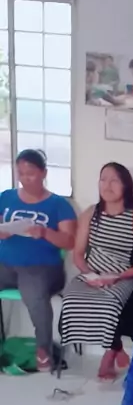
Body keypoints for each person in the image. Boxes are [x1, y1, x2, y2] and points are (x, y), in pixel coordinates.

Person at [60, 163, 133, 380]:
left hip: (126, 276)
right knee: (72, 299)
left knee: (111, 302)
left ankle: (110, 353)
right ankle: (118, 348)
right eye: (103, 179)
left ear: (126, 185)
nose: (107, 185)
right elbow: (78, 254)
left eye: (114, 180)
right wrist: (91, 275)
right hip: (92, 274)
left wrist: (117, 277)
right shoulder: (90, 214)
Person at [0, 149, 77, 371]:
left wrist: (44, 233)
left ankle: (43, 350)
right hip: (5, 263)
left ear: (43, 173)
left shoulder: (58, 205)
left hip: (42, 267)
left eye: (30, 173)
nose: (25, 179)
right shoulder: (6, 197)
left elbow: (69, 242)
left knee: (34, 295)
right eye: (21, 173)